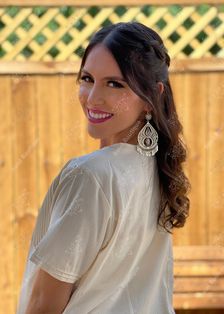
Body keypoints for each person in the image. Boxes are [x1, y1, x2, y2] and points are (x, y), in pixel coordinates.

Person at [16, 21, 190, 314]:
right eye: (87, 78)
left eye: (115, 84)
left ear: (152, 97)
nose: (92, 97)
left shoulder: (91, 175)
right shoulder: (156, 170)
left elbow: (42, 305)